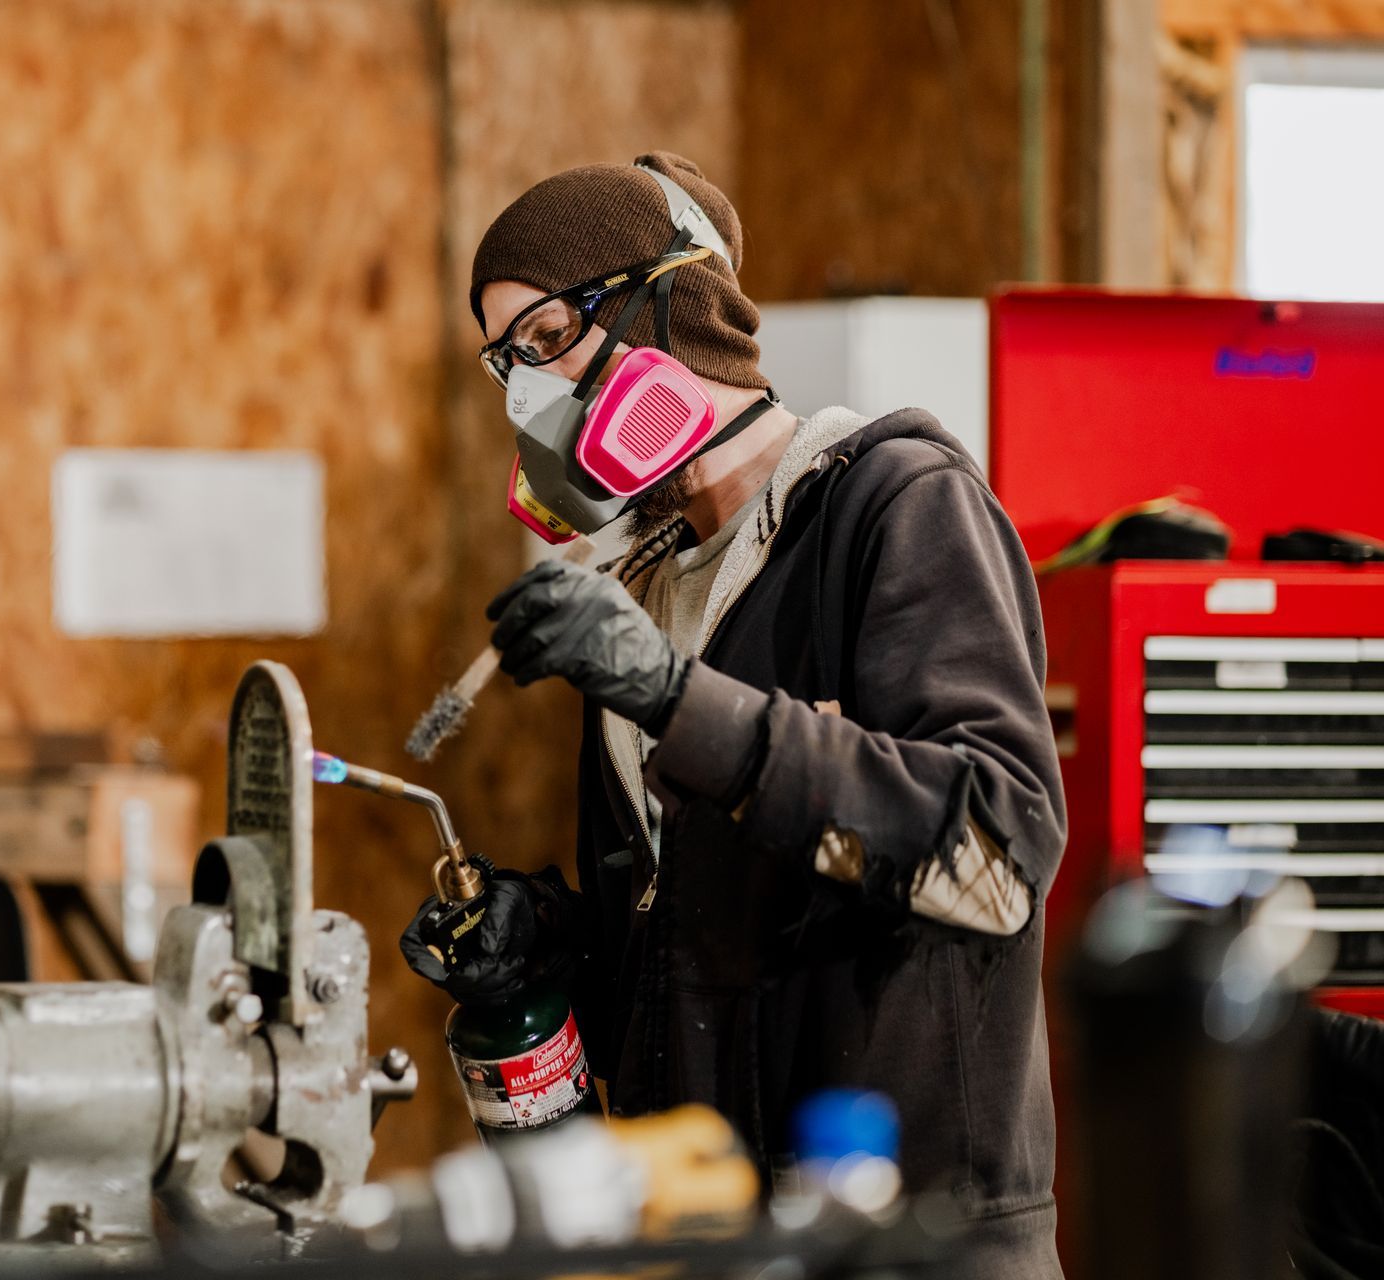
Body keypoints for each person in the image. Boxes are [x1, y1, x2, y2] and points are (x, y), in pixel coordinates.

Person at [401, 152, 1066, 1278]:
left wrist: (677, 699)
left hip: (906, 1242)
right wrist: (548, 943)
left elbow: (995, 853)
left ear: (676, 304)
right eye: (505, 359)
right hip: (716, 1236)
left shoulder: (895, 506)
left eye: (550, 333)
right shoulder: (647, 585)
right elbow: (703, 931)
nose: (526, 394)